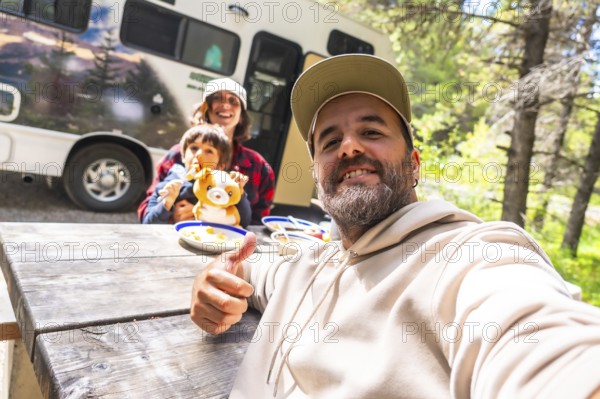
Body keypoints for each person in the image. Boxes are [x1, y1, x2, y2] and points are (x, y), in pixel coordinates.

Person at [189, 54, 600, 398]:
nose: (349, 147)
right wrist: (216, 278)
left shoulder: (469, 260)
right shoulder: (308, 266)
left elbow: (543, 343)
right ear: (317, 175)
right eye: (330, 142)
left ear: (414, 164)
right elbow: (250, 273)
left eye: (371, 131)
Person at [137, 77, 275, 225]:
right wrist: (171, 212)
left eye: (233, 101)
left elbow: (258, 223)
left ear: (241, 116)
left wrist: (218, 219)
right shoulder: (176, 155)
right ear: (205, 109)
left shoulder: (258, 166)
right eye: (216, 98)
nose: (225, 105)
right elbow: (146, 211)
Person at [142, 124, 251, 227]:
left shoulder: (225, 188)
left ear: (220, 166)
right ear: (183, 157)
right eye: (194, 148)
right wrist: (166, 204)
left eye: (209, 151)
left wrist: (239, 193)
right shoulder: (169, 185)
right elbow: (147, 224)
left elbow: (244, 221)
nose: (199, 154)